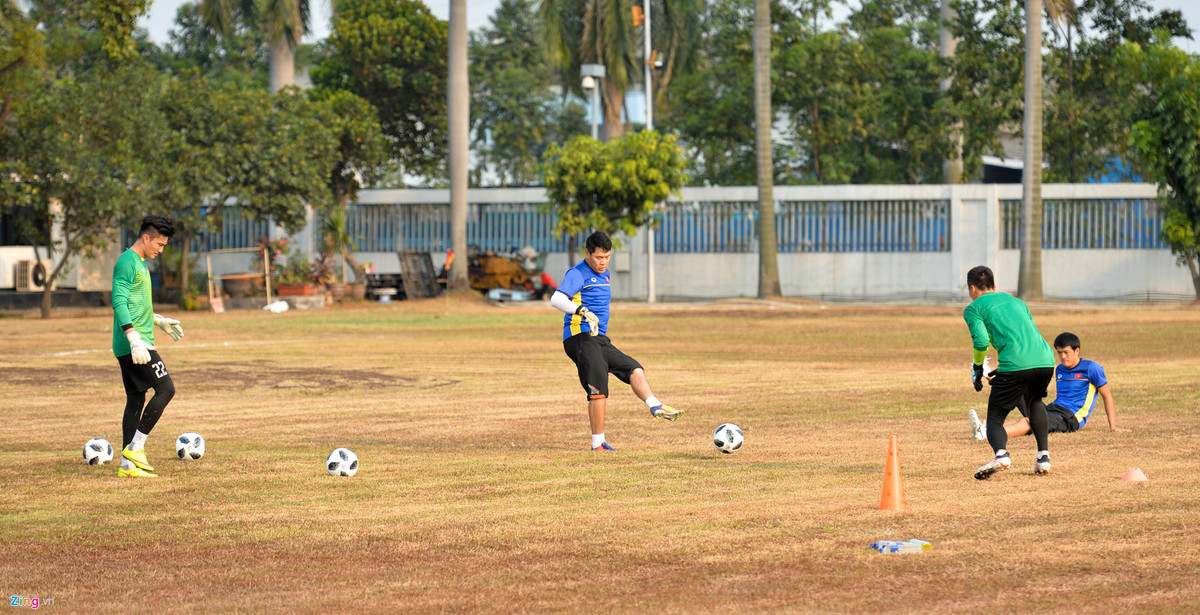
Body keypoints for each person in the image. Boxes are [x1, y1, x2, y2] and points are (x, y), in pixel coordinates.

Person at [550, 231, 683, 451]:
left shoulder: (606, 274)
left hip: (599, 338)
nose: (603, 262)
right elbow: (556, 299)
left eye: (607, 257)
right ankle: (598, 444)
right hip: (580, 337)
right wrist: (582, 311)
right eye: (599, 257)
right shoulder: (578, 273)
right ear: (587, 253)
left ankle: (655, 405)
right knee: (599, 387)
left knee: (634, 369)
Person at [963, 265, 1055, 479]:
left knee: (995, 417)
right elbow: (1026, 336)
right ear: (995, 286)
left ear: (972, 289)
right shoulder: (1018, 302)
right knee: (1034, 402)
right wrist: (1003, 369)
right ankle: (1043, 457)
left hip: (1016, 363)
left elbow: (981, 340)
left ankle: (1001, 455)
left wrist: (978, 367)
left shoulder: (974, 308)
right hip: (1045, 360)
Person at [112, 215, 184, 478]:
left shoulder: (140, 263)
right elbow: (119, 302)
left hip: (137, 339)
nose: (161, 249)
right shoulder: (127, 262)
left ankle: (127, 466)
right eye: (160, 244)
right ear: (146, 238)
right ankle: (136, 448)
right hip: (135, 343)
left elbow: (135, 303)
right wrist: (133, 338)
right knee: (166, 389)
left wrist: (158, 320)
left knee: (135, 398)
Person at [969, 332, 1128, 439]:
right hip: (1052, 408)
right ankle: (988, 375)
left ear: (1077, 350)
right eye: (1059, 352)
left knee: (1030, 423)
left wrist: (1113, 427)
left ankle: (987, 433)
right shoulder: (1059, 369)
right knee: (1017, 387)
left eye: (1066, 352)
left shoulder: (1092, 369)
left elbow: (1107, 396)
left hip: (1069, 417)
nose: (1062, 357)